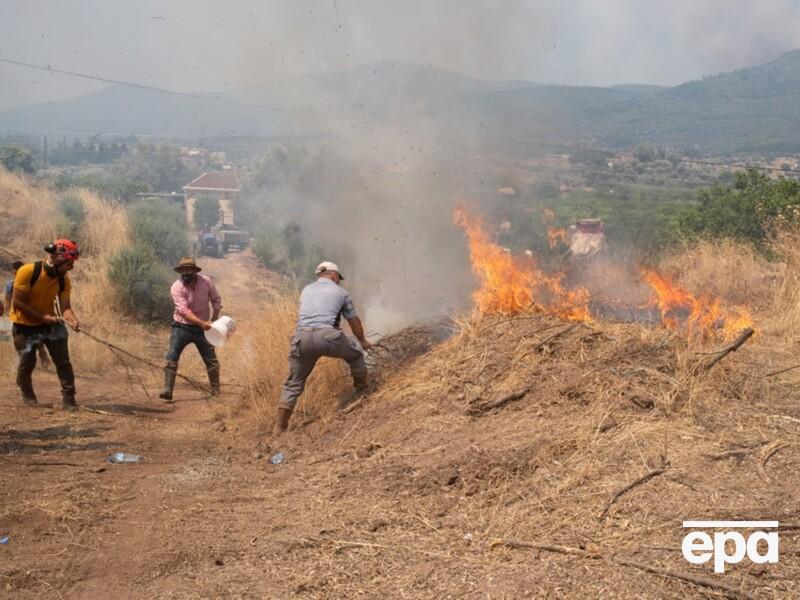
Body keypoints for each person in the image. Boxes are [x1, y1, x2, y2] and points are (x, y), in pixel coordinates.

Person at [274, 261, 372, 435]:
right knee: (356, 353)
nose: (338, 281)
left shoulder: (306, 290)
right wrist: (363, 341)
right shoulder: (341, 293)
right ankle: (363, 393)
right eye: (338, 278)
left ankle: (280, 427)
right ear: (334, 275)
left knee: (294, 382)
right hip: (327, 337)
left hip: (301, 338)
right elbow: (354, 322)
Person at [9, 240, 81, 409]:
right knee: (27, 363)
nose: (71, 267)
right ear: (57, 259)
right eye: (69, 263)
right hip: (24, 325)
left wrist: (72, 319)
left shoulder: (64, 280)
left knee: (63, 361)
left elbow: (65, 307)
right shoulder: (28, 271)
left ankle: (69, 400)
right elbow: (18, 302)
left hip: (49, 323)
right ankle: (27, 394)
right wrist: (43, 318)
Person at [159, 256, 222, 402]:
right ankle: (168, 390)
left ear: (195, 271)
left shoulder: (206, 281)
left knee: (211, 360)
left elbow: (216, 299)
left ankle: (215, 392)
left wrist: (215, 317)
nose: (185, 273)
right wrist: (202, 323)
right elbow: (183, 311)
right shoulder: (176, 287)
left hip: (204, 329)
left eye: (188, 270)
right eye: (183, 270)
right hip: (182, 327)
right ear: (180, 271)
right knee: (172, 357)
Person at [5, 260, 50, 369]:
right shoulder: (10, 285)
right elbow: (8, 299)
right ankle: (25, 361)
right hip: (18, 316)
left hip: (32, 314)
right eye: (15, 273)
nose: (16, 274)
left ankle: (42, 353)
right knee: (18, 338)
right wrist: (8, 312)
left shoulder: (33, 282)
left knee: (36, 337)